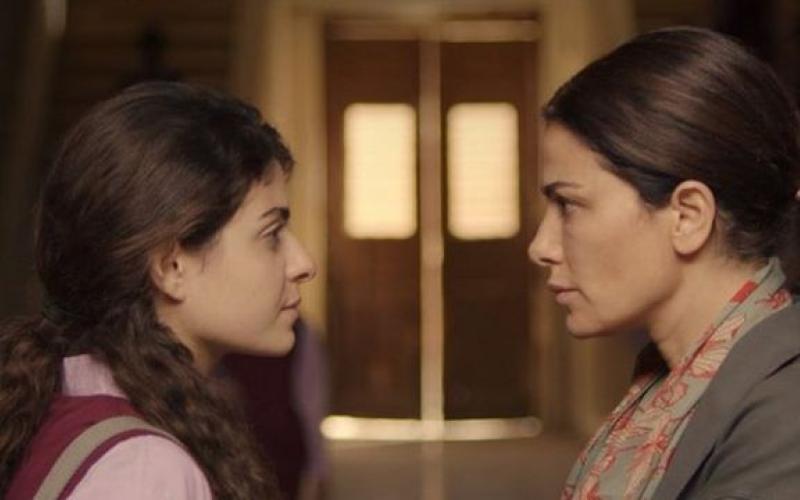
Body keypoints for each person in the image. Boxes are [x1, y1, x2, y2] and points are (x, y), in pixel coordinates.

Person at [0, 81, 316, 499]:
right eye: (271, 234)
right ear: (171, 266)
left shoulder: (68, 402)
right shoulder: (143, 469)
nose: (304, 263)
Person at [529, 27, 800, 499]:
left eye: (568, 205)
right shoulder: (667, 384)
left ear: (687, 216)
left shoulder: (784, 407)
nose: (541, 246)